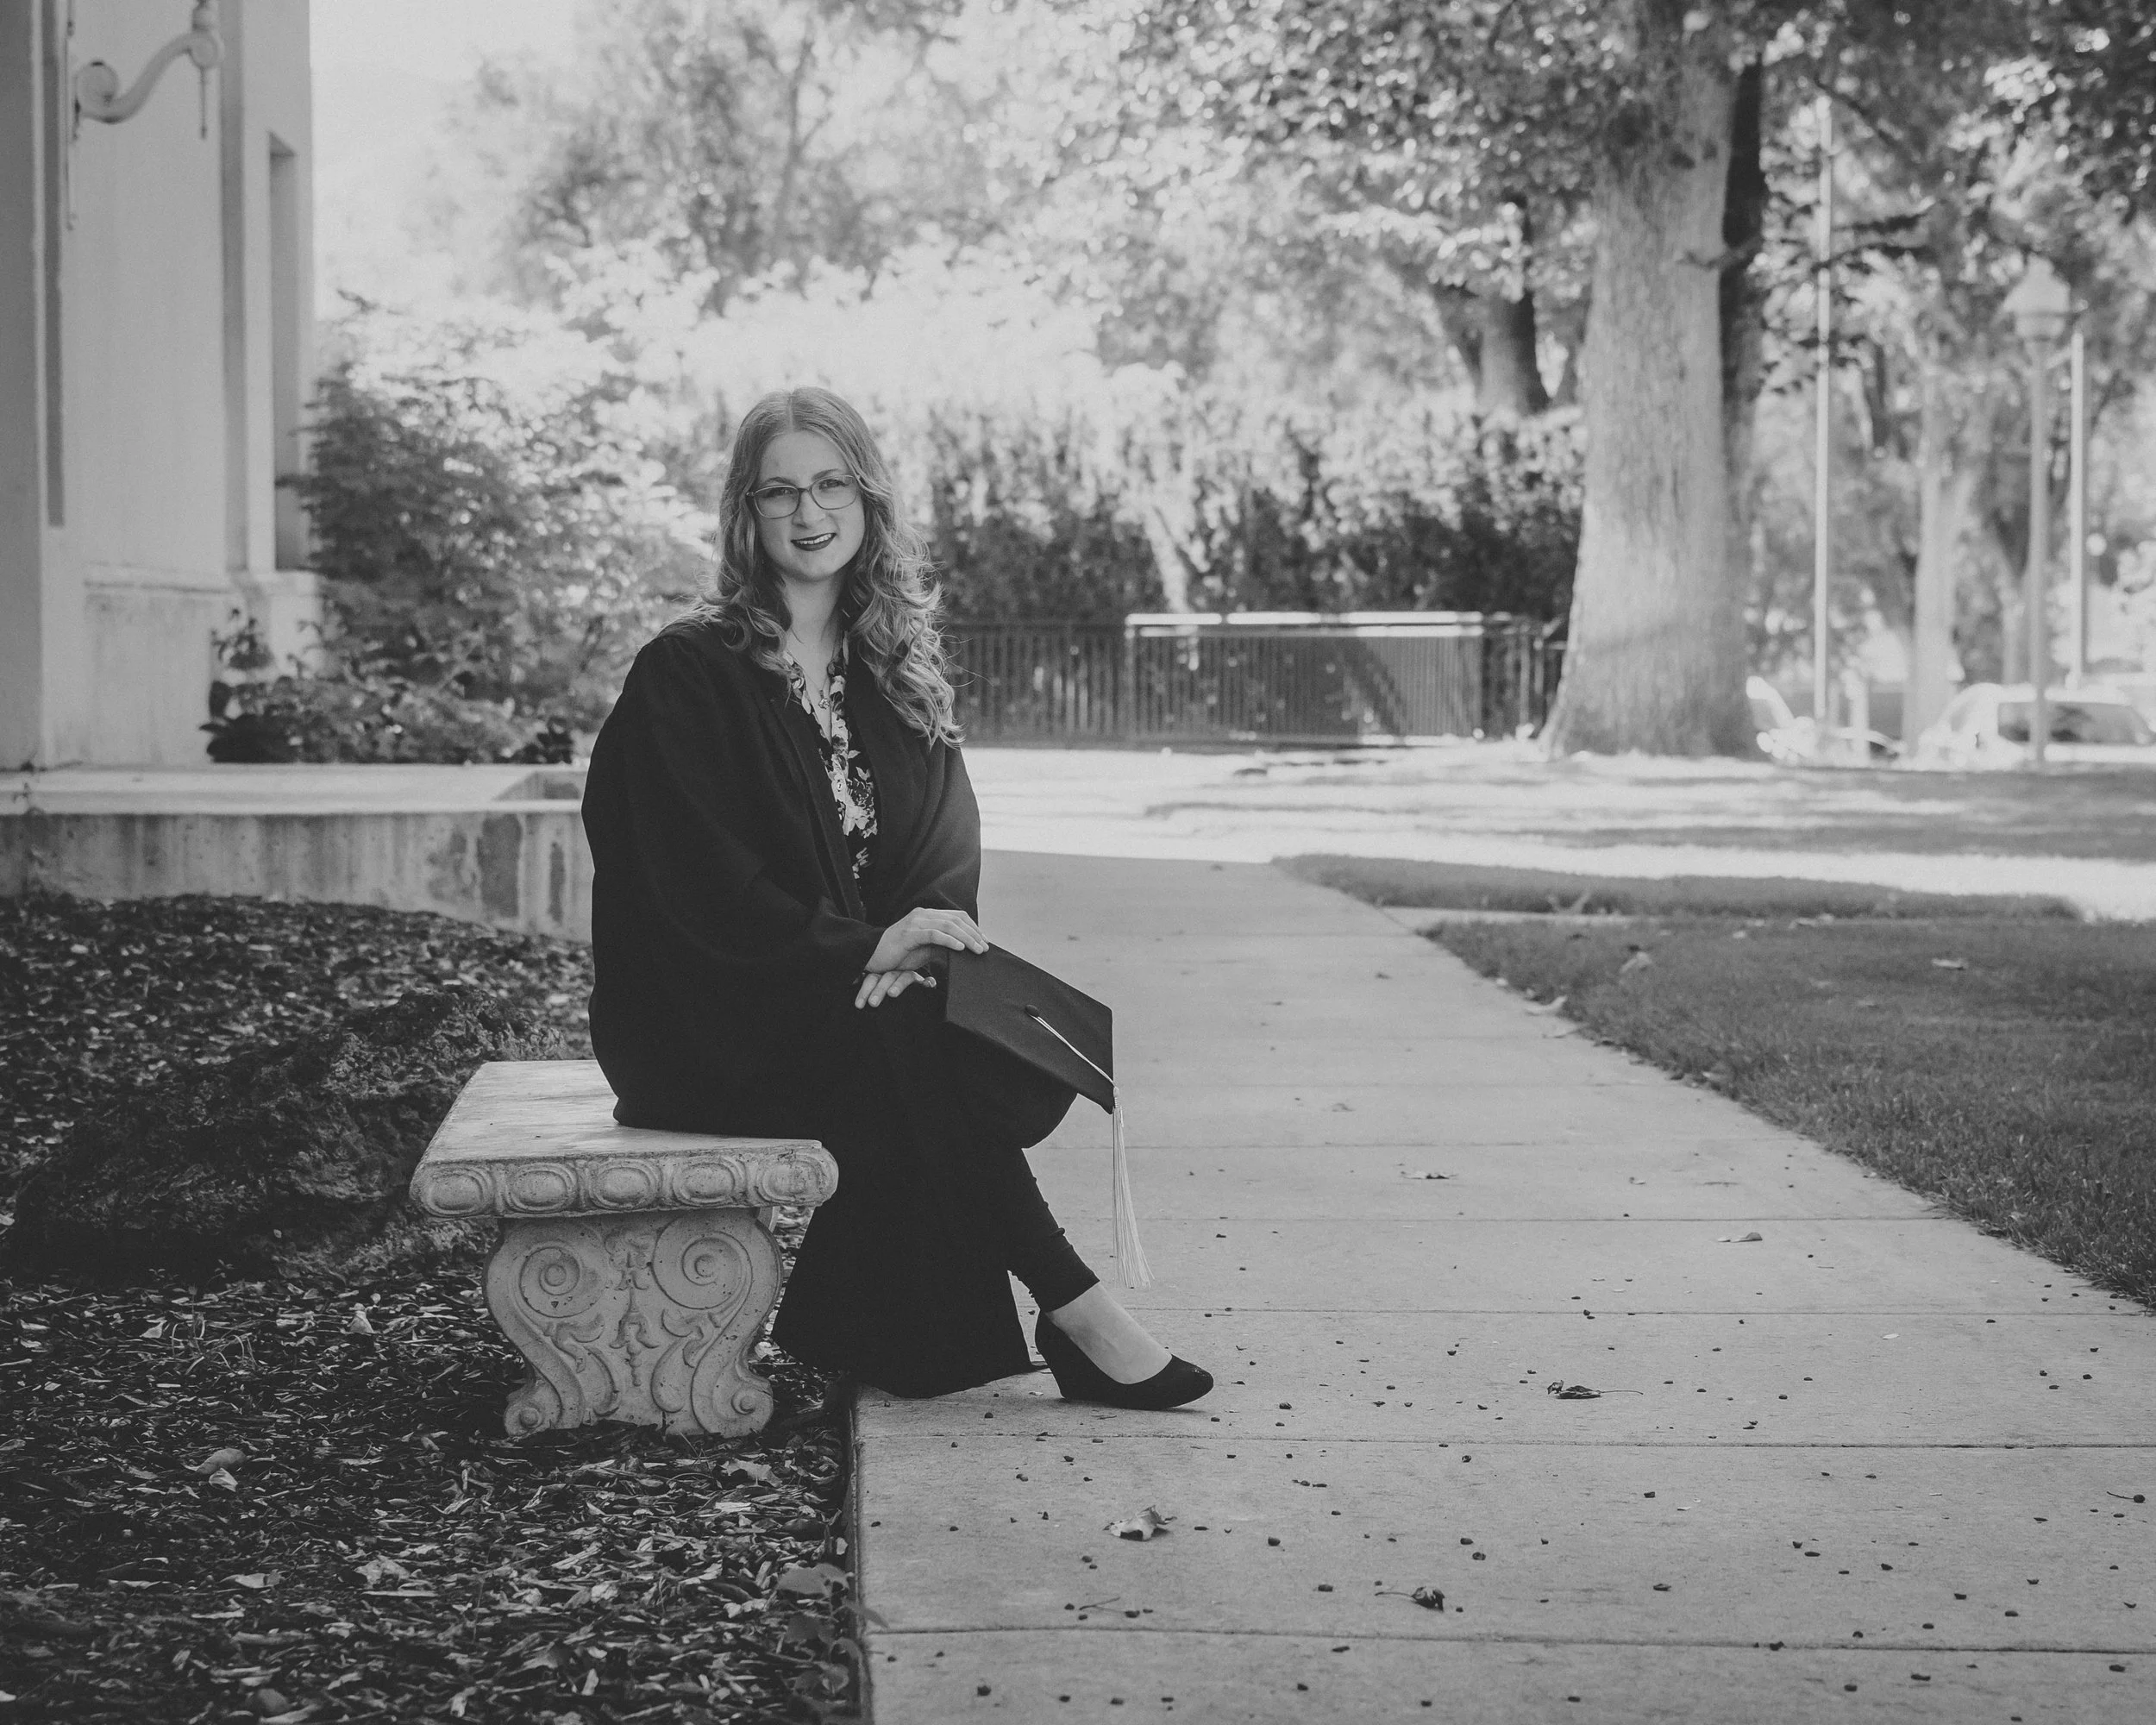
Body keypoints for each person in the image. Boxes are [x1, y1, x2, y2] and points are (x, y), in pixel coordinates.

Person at [580, 386, 1212, 1409]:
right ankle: (1076, 1305)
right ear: (745, 514)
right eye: (778, 491)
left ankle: (1048, 1314)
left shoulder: (895, 672)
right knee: (910, 1039)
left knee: (911, 1031)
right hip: (715, 1023)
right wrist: (862, 953)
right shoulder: (688, 675)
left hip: (864, 1012)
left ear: (868, 500)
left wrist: (909, 943)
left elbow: (942, 850)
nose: (808, 511)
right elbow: (694, 882)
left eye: (830, 484)